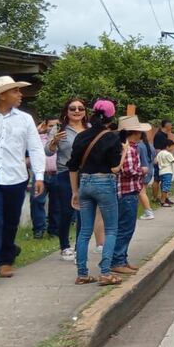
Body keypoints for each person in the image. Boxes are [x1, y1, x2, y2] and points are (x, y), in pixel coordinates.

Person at [68, 99, 124, 286]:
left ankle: (82, 273)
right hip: (104, 182)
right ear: (111, 116)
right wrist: (123, 154)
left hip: (84, 182)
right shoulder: (112, 137)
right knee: (111, 229)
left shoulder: (82, 136)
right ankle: (106, 273)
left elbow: (73, 166)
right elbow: (115, 167)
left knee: (84, 231)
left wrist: (75, 191)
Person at [0, 77, 46, 278]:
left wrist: (39, 176)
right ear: (2, 95)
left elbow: (35, 147)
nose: (20, 94)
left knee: (11, 220)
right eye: (15, 91)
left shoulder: (24, 119)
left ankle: (7, 257)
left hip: (15, 176)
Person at [110, 116, 151, 277]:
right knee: (125, 228)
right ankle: (118, 261)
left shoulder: (127, 147)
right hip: (127, 192)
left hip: (126, 191)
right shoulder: (129, 149)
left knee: (125, 227)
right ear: (133, 133)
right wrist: (142, 171)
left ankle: (122, 259)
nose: (141, 135)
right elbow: (128, 170)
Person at [47, 97, 89, 258]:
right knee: (67, 210)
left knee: (83, 212)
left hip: (86, 173)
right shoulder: (59, 129)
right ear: (66, 111)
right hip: (65, 173)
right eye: (73, 108)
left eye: (80, 108)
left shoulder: (89, 128)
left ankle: (80, 247)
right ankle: (64, 246)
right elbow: (48, 152)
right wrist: (54, 142)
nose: (77, 111)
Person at [31, 118, 58, 238]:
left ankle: (54, 230)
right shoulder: (37, 138)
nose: (53, 128)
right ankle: (39, 229)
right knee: (36, 201)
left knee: (56, 204)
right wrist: (38, 131)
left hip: (57, 174)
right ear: (45, 125)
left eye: (56, 126)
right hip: (41, 175)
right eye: (51, 125)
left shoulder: (61, 139)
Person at [156, 143, 174, 207]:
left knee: (163, 186)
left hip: (161, 172)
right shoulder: (168, 154)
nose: (172, 149)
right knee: (166, 187)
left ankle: (165, 199)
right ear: (167, 146)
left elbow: (155, 161)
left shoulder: (159, 153)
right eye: (172, 147)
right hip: (167, 171)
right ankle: (163, 201)